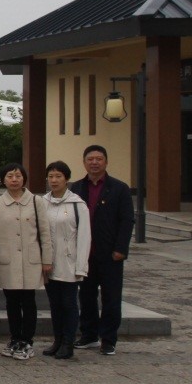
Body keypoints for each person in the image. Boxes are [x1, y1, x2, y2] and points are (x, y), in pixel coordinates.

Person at [0, 162, 51, 360]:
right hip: (8, 262)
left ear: (24, 178)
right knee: (12, 302)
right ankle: (15, 338)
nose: (14, 180)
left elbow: (45, 233)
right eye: (10, 176)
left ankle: (27, 341)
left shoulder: (36, 201)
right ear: (3, 180)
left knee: (28, 301)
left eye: (18, 176)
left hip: (30, 261)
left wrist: (47, 260)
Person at [70, 145, 135, 356]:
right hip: (84, 253)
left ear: (106, 162)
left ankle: (108, 339)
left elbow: (127, 220)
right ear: (84, 162)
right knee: (86, 296)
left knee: (111, 298)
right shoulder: (76, 188)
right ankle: (89, 335)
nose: (94, 163)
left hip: (110, 253)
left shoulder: (119, 188)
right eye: (90, 159)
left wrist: (121, 248)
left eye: (99, 159)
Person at [43, 160, 91, 360]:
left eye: (58, 176)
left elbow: (84, 237)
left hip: (69, 263)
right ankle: (58, 340)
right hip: (49, 263)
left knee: (69, 304)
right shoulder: (42, 202)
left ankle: (68, 342)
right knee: (54, 304)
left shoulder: (77, 205)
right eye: (51, 176)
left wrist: (81, 266)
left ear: (67, 179)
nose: (54, 180)